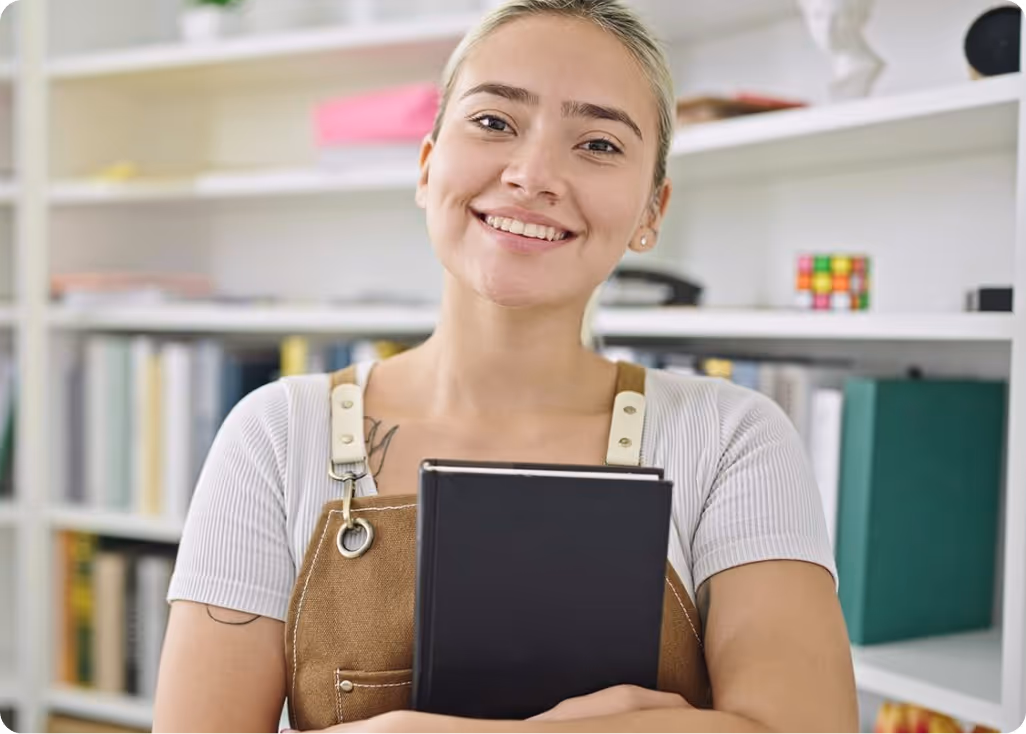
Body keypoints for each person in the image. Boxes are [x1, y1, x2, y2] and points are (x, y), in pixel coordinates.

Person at [154, 1, 859, 732]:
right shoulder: (274, 434)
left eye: (599, 144)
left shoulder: (732, 436)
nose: (533, 175)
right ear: (427, 167)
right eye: (494, 123)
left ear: (653, 209)